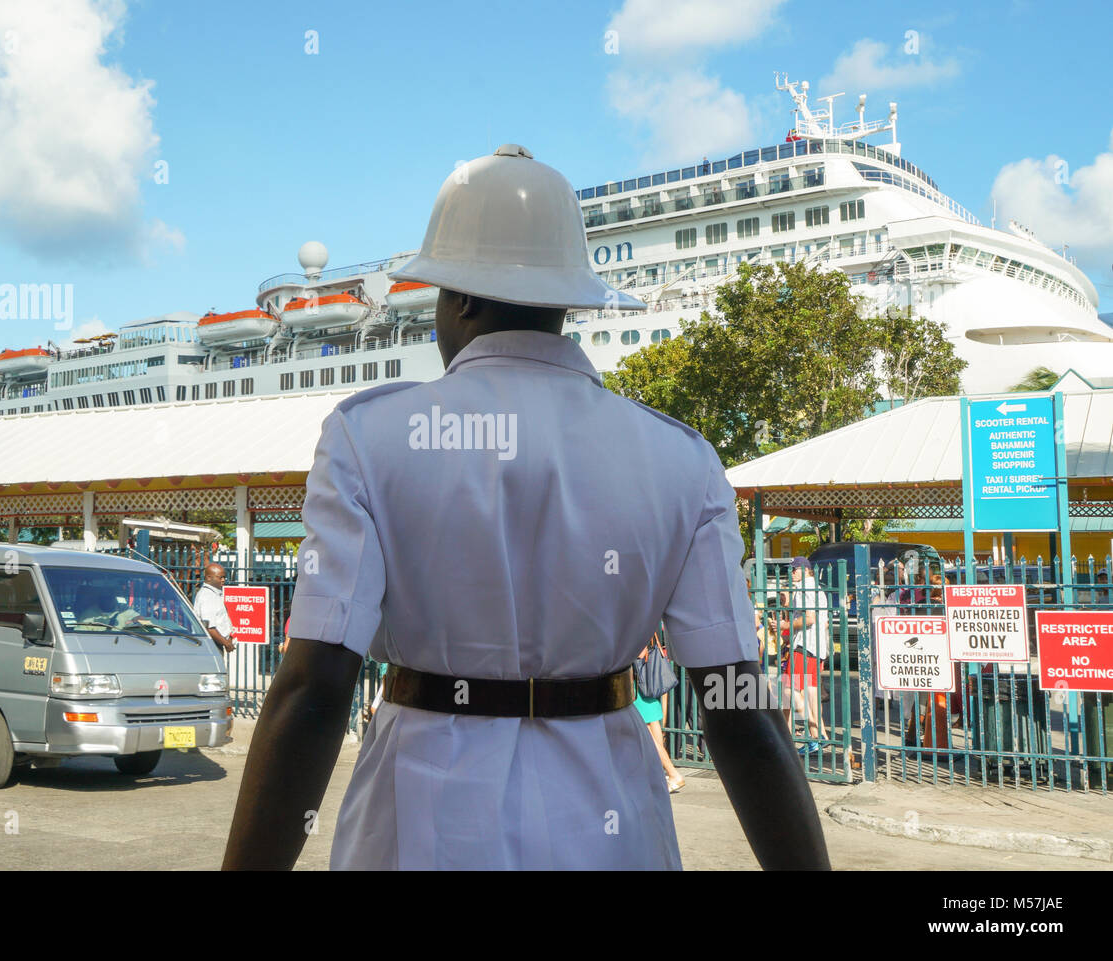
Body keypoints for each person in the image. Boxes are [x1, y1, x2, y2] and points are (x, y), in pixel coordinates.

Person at [222, 144, 829, 871]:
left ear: (465, 297)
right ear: (564, 296)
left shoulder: (366, 438)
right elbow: (739, 709)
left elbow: (313, 690)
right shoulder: (681, 459)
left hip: (418, 832)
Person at [779, 557, 830, 755]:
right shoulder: (816, 589)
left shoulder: (804, 589)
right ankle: (818, 736)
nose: (791, 573)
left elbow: (809, 618)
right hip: (815, 646)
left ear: (806, 570)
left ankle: (815, 736)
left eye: (795, 570)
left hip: (805, 645)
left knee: (791, 690)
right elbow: (821, 621)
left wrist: (786, 626)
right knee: (809, 693)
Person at [634, 634, 684, 793]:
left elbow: (640, 653)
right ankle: (659, 773)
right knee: (652, 728)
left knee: (646, 732)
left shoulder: (635, 621)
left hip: (638, 682)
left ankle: (672, 773)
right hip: (647, 681)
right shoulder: (647, 618)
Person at [193, 563, 236, 656]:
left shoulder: (214, 594)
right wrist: (226, 643)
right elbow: (209, 627)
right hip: (211, 645)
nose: (223, 580)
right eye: (220, 577)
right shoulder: (208, 596)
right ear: (208, 578)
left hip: (216, 643)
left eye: (224, 577)